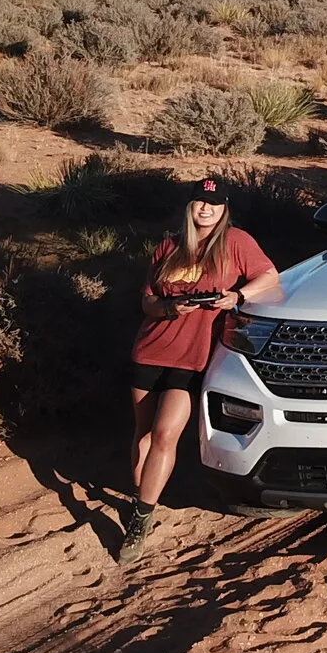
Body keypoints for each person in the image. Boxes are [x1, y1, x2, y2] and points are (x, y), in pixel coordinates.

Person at [125, 177, 281, 561]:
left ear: (224, 209)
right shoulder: (169, 246)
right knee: (142, 434)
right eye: (199, 202)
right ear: (190, 206)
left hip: (193, 359)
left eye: (213, 203)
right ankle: (142, 497)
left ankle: (139, 522)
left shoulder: (236, 243)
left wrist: (237, 297)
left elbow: (270, 276)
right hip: (150, 351)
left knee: (165, 433)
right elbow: (147, 302)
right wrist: (169, 309)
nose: (205, 209)